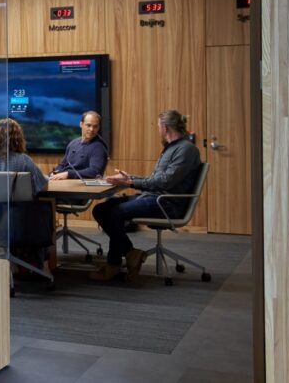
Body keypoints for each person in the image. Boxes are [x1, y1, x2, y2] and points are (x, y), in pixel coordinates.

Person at [90, 109, 202, 281]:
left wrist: (131, 183)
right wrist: (128, 178)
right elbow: (155, 179)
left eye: (158, 126)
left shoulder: (186, 150)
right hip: (153, 197)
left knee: (114, 213)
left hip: (167, 203)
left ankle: (113, 264)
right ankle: (130, 252)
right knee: (101, 209)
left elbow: (165, 182)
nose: (158, 130)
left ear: (164, 128)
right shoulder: (170, 148)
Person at [0, 118, 50, 265]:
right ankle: (44, 267)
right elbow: (43, 187)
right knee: (41, 209)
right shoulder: (24, 161)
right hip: (19, 223)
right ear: (18, 138)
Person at [49, 110, 109, 180]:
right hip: (64, 182)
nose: (92, 129)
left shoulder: (99, 147)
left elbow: (94, 172)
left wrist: (69, 174)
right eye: (88, 125)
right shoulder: (73, 143)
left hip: (81, 185)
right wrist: (54, 173)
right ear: (81, 124)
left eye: (95, 126)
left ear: (99, 127)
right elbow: (62, 165)